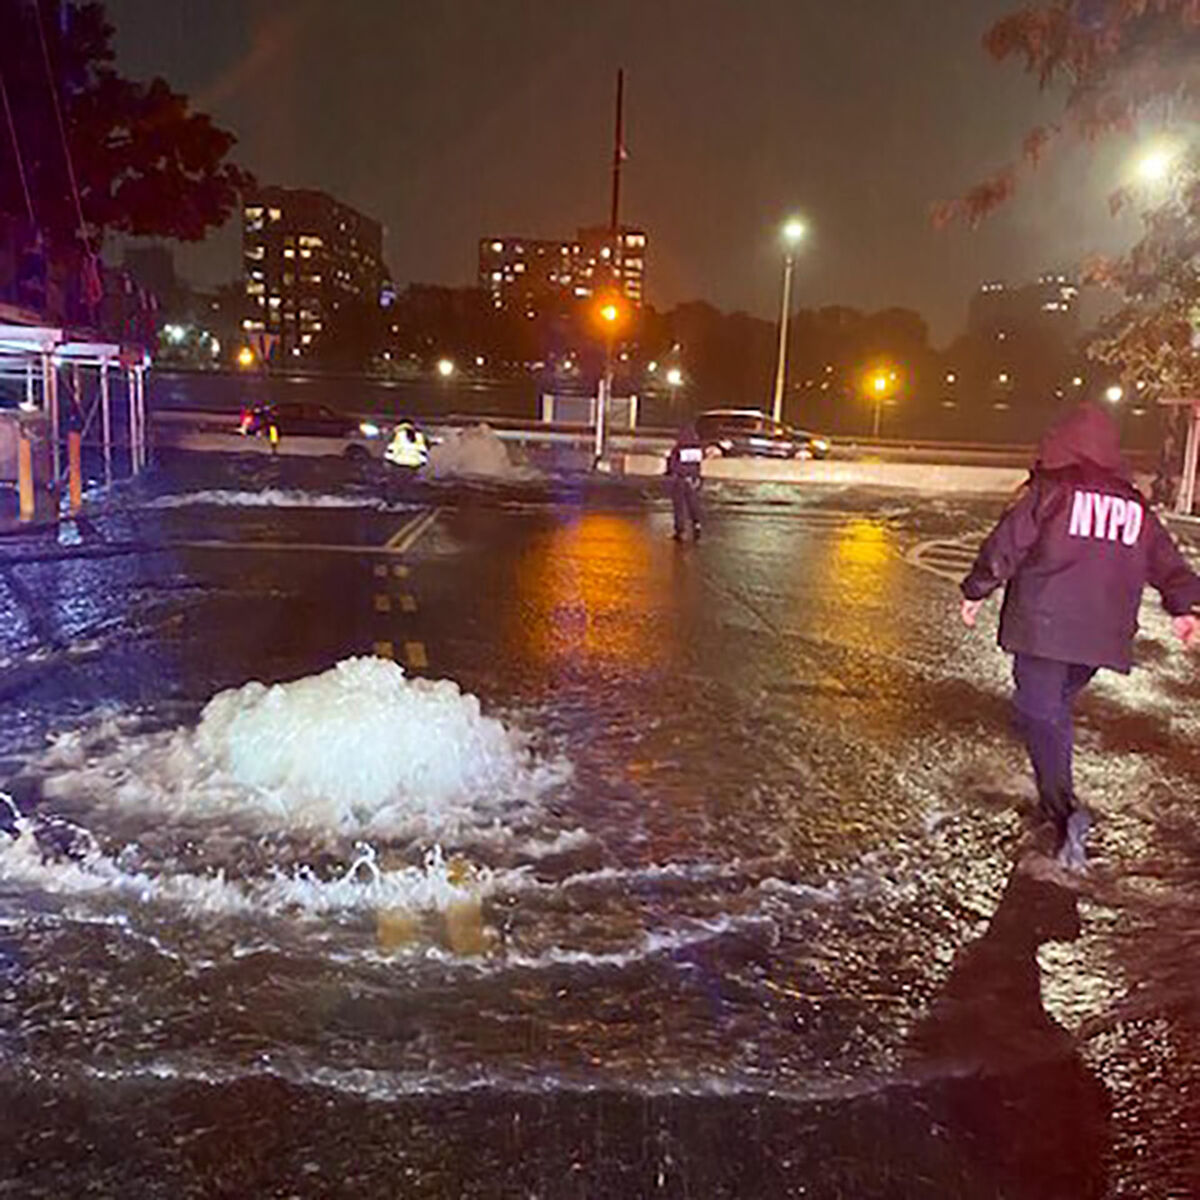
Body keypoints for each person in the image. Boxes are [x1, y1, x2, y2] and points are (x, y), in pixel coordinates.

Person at [960, 402, 1200, 869]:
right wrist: (1183, 606)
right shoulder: (1134, 504)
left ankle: (1063, 811)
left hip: (1045, 626)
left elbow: (1008, 543)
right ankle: (1053, 789)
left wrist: (976, 590)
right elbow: (1167, 561)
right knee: (1051, 709)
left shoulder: (1050, 491)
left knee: (1038, 710)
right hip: (1101, 637)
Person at [665, 423, 704, 541]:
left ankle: (680, 530)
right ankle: (697, 524)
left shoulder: (679, 448)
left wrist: (670, 470)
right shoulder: (697, 449)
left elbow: (672, 465)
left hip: (680, 479)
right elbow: (698, 464)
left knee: (679, 506)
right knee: (693, 504)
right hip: (692, 479)